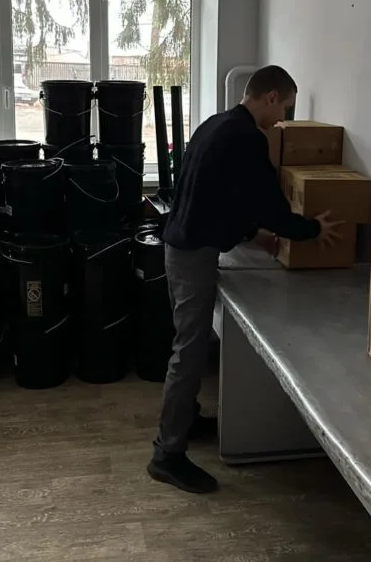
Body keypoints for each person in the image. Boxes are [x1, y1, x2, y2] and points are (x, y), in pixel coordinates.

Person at [147, 65, 343, 494]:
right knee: (189, 352)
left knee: (191, 345)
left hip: (181, 245)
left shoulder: (216, 125)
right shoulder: (247, 138)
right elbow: (269, 204)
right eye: (284, 108)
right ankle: (166, 455)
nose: (282, 119)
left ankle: (186, 420)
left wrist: (255, 234)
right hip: (193, 255)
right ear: (270, 97)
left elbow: (220, 196)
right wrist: (310, 229)